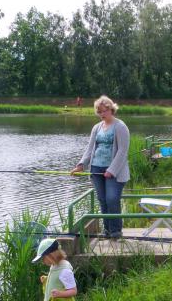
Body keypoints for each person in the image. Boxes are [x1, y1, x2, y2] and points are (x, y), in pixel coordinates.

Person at [71, 95, 129, 239]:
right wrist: (81, 165)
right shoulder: (96, 128)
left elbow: (122, 151)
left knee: (112, 199)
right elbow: (90, 149)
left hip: (115, 171)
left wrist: (111, 170)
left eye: (104, 111)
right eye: (99, 112)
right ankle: (107, 230)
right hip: (96, 168)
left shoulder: (120, 126)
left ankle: (116, 231)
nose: (102, 114)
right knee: (103, 200)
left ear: (111, 109)